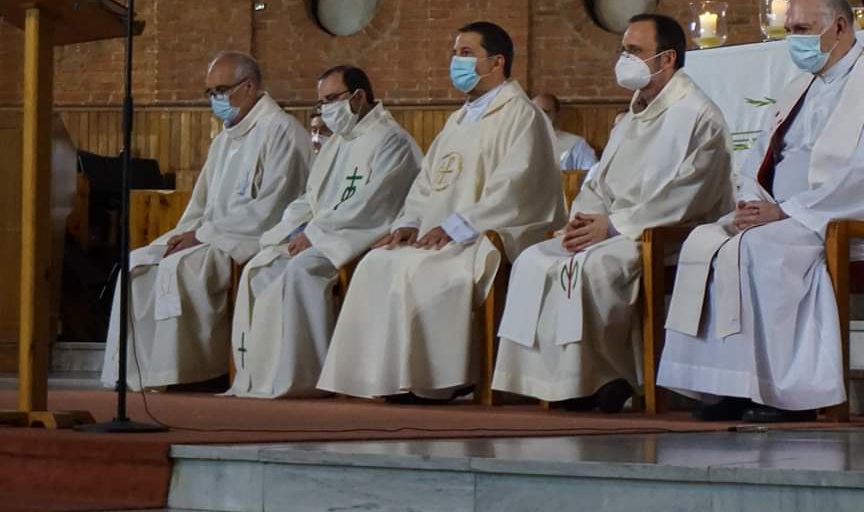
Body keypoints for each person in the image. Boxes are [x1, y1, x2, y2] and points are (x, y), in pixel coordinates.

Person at [659, 0, 864, 423]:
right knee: (706, 242)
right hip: (781, 214)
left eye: (801, 29)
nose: (792, 41)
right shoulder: (799, 88)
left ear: (838, 27)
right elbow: (759, 159)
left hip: (839, 220)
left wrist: (790, 211)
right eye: (789, 30)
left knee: (761, 249)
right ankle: (727, 385)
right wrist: (752, 204)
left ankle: (785, 394)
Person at [493, 14, 734, 411]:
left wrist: (614, 226)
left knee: (594, 268)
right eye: (623, 50)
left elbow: (688, 194)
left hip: (665, 235)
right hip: (612, 228)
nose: (624, 59)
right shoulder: (633, 115)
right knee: (534, 260)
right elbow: (598, 182)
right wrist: (584, 221)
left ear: (667, 58)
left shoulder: (698, 115)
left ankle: (605, 377)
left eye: (634, 51)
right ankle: (556, 381)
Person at [317, 22, 566, 401]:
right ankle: (382, 377)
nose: (456, 61)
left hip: (483, 236)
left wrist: (457, 226)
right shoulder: (458, 119)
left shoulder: (523, 115)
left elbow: (515, 189)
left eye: (466, 53)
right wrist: (409, 222)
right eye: (455, 53)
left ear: (497, 62)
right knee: (376, 263)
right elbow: (426, 183)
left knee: (419, 270)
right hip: (439, 235)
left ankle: (435, 382)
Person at [102, 52, 310, 390]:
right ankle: (136, 372)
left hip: (249, 239)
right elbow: (201, 204)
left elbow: (273, 207)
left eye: (221, 90)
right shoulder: (224, 140)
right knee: (137, 264)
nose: (215, 100)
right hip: (212, 234)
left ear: (249, 86)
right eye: (210, 92)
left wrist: (202, 236)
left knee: (179, 268)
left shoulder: (282, 131)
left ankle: (191, 373)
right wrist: (183, 234)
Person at [226, 65, 422, 398]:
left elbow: (372, 204)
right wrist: (288, 229)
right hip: (326, 234)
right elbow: (311, 197)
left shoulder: (392, 140)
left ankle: (309, 375)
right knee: (260, 267)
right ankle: (263, 374)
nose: (327, 109)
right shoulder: (339, 142)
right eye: (322, 102)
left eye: (332, 99)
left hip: (359, 237)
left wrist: (314, 234)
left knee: (301, 270)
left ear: (358, 97)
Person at [533, 93, 599, 171]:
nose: (539, 116)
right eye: (535, 112)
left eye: (545, 112)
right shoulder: (522, 141)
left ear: (556, 115)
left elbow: (592, 173)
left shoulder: (576, 144)